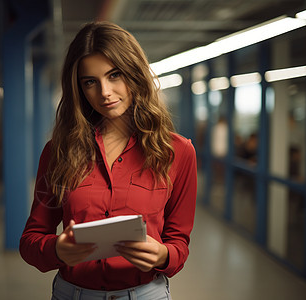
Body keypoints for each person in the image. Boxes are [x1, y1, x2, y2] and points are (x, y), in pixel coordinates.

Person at [20, 21, 197, 300]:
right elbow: (31, 239)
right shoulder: (58, 152)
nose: (104, 92)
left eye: (114, 75)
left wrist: (163, 254)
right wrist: (57, 250)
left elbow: (179, 244)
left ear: (135, 73)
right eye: (90, 82)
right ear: (78, 88)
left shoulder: (177, 152)